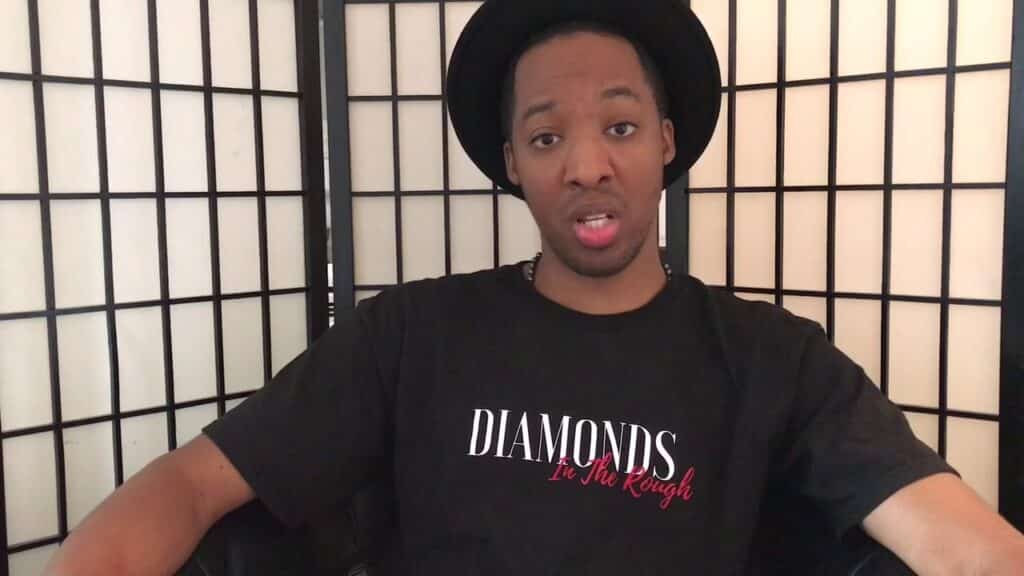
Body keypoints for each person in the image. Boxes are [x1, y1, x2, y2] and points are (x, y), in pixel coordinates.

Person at [46, 0, 1024, 574]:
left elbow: (952, 536)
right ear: (513, 160)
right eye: (548, 136)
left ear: (667, 143)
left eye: (621, 126)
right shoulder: (412, 335)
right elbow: (189, 485)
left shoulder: (774, 358)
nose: (587, 165)